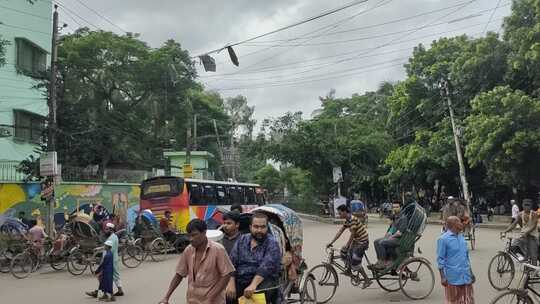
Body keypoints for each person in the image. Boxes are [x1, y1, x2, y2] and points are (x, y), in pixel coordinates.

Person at [159, 219, 234, 304]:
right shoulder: (188, 250)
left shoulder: (218, 249)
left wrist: (210, 297)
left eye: (194, 235)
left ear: (204, 233)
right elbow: (179, 274)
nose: (191, 239)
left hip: (213, 301)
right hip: (192, 300)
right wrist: (166, 297)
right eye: (189, 236)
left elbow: (226, 275)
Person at [226, 212, 281, 304]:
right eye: (256, 227)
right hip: (242, 278)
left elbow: (266, 267)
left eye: (263, 227)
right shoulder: (242, 239)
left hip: (264, 280)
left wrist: (253, 285)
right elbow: (232, 262)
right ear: (250, 227)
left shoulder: (272, 243)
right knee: (227, 294)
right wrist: (231, 283)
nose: (259, 230)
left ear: (267, 228)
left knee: (255, 297)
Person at [328, 204, 371, 288]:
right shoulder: (347, 220)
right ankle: (348, 270)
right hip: (356, 241)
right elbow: (340, 232)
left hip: (363, 242)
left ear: (344, 212)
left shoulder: (353, 219)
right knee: (343, 253)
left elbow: (352, 234)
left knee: (355, 261)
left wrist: (347, 245)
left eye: (340, 213)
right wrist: (331, 242)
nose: (339, 215)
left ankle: (367, 279)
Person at [437, 216, 475, 304]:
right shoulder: (443, 239)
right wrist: (442, 277)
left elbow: (466, 257)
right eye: (458, 222)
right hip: (453, 278)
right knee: (454, 301)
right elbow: (440, 259)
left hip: (466, 276)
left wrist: (471, 273)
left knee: (469, 300)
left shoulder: (461, 237)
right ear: (453, 225)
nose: (461, 224)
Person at [86, 223, 124, 298]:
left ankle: (102, 292)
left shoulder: (112, 238)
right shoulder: (112, 237)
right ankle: (119, 290)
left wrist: (103, 261)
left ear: (111, 229)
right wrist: (99, 248)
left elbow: (108, 249)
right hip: (112, 259)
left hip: (110, 260)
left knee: (101, 276)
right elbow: (107, 246)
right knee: (114, 275)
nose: (105, 230)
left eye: (107, 229)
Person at [502, 199, 538, 265]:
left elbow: (534, 226)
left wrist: (526, 233)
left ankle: (534, 272)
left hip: (533, 236)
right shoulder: (520, 214)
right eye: (525, 205)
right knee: (513, 247)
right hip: (523, 236)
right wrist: (505, 231)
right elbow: (513, 224)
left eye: (528, 205)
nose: (526, 207)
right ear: (522, 205)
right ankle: (522, 258)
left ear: (531, 206)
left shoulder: (534, 214)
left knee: (533, 255)